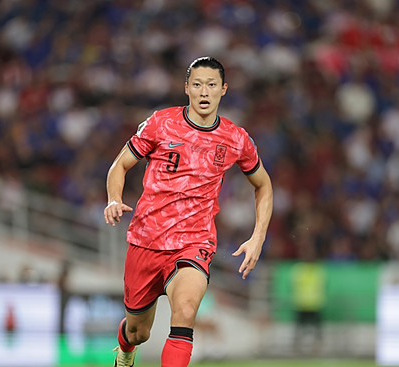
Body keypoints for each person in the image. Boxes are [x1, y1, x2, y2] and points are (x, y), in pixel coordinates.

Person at [103, 56, 273, 367]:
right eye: (197, 85)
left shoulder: (236, 139)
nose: (204, 91)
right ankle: (126, 354)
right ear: (187, 89)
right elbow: (120, 165)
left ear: (223, 89)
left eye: (211, 85)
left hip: (194, 242)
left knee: (185, 312)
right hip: (146, 240)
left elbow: (263, 185)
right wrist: (114, 199)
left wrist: (257, 236)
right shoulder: (160, 123)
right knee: (138, 331)